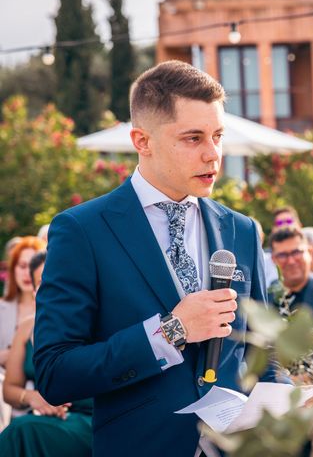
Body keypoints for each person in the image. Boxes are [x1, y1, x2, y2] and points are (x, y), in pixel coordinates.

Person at [34, 60, 277, 456]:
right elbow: (54, 372)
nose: (213, 154)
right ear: (142, 141)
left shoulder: (242, 229)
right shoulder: (82, 231)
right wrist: (171, 332)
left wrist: (284, 413)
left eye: (217, 135)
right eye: (193, 138)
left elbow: (263, 349)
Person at [0, 251, 92, 456]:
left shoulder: (92, 320)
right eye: (42, 282)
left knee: (21, 431)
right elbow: (9, 389)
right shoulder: (27, 328)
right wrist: (33, 397)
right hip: (56, 420)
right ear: (33, 291)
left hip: (96, 418)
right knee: (24, 430)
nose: (52, 289)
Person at [0, 237, 46, 431]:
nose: (26, 272)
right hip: (18, 393)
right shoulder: (8, 313)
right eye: (21, 265)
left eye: (31, 265)